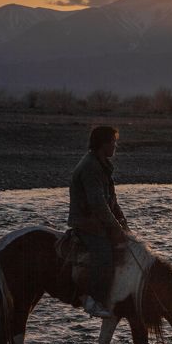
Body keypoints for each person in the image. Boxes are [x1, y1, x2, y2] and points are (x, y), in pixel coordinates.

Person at [68, 125, 129, 318]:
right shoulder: (90, 167)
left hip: (98, 221)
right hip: (86, 223)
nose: (115, 146)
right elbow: (98, 204)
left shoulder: (101, 165)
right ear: (103, 144)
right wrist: (115, 227)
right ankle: (92, 299)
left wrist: (123, 223)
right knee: (104, 253)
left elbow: (112, 201)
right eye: (113, 142)